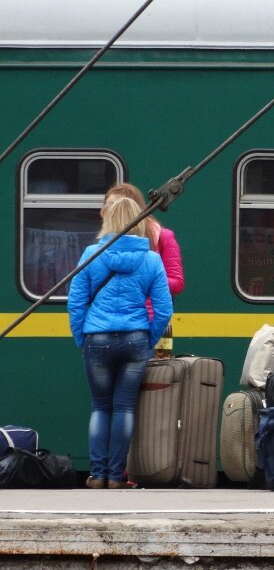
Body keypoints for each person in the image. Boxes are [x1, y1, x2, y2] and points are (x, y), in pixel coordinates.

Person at [67, 197, 173, 489]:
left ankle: (96, 474)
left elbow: (76, 302)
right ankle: (116, 477)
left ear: (109, 219)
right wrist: (147, 340)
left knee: (101, 407)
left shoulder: (91, 254)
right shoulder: (151, 259)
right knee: (124, 407)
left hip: (97, 338)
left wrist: (82, 337)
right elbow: (164, 309)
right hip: (135, 338)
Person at [105, 183, 184, 357]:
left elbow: (177, 282)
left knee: (156, 379)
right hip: (115, 322)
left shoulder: (162, 236)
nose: (109, 211)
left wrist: (147, 281)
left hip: (154, 321)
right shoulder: (105, 243)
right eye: (108, 205)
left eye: (116, 206)